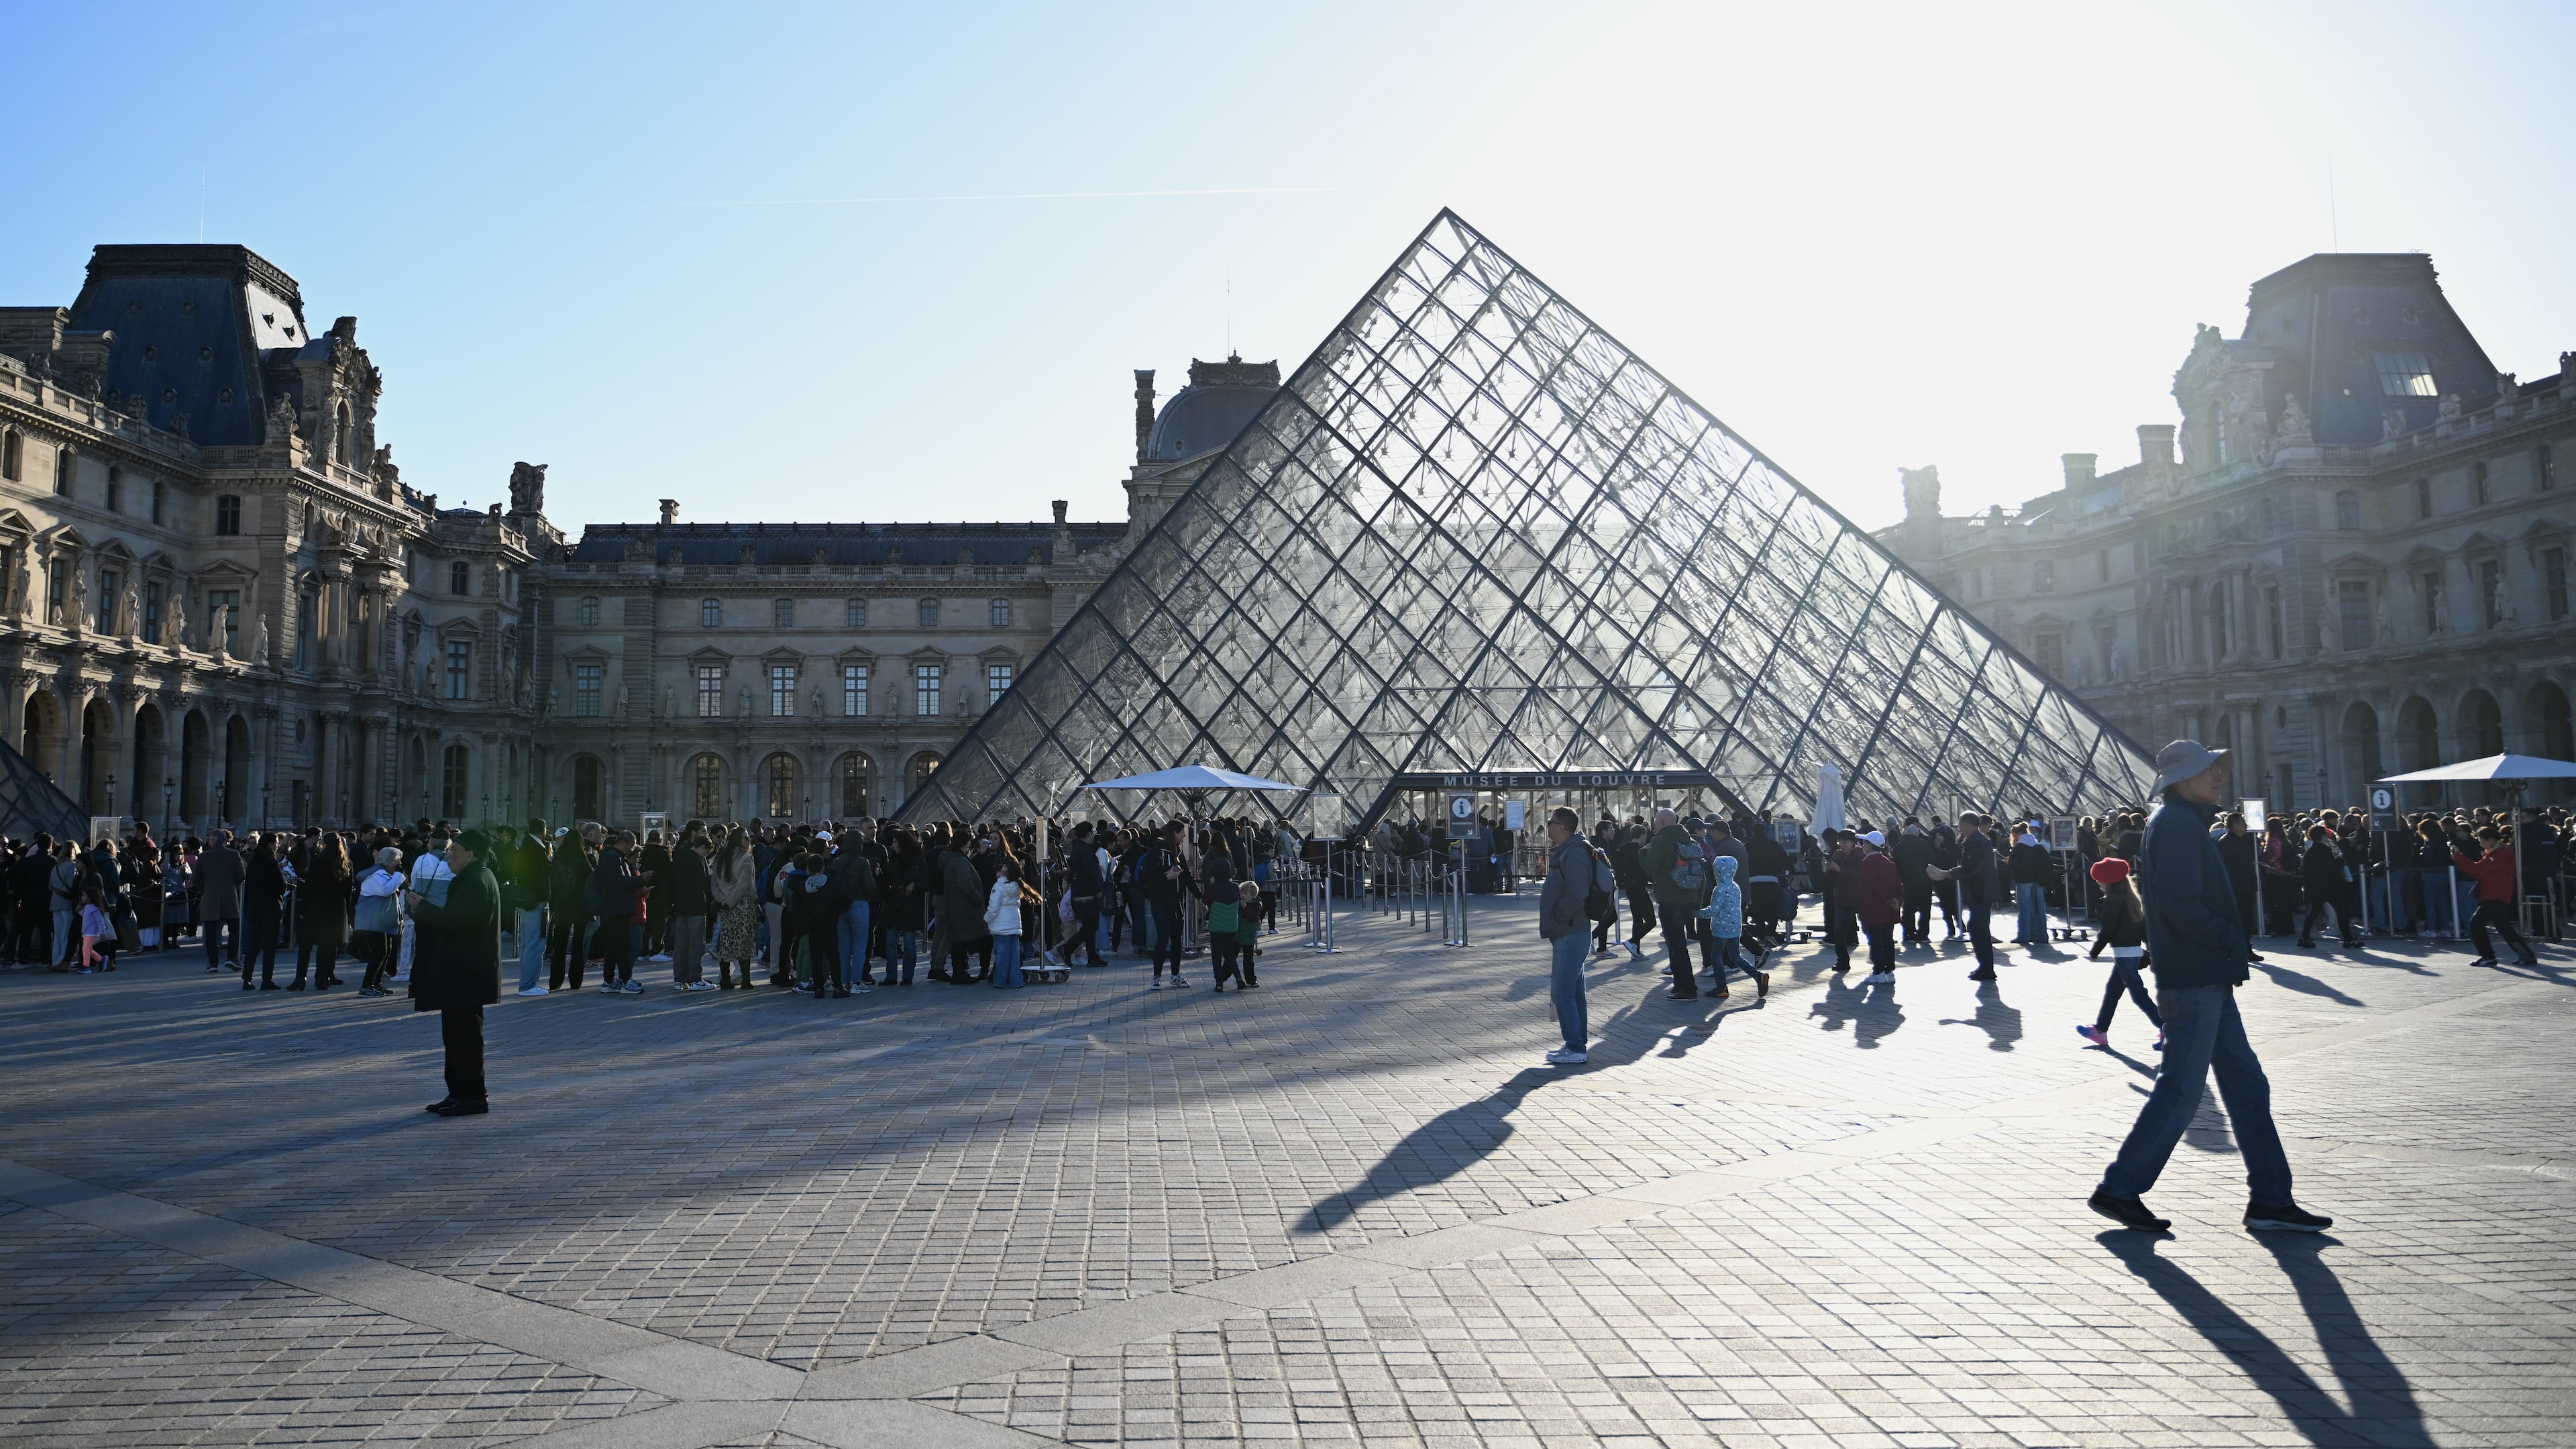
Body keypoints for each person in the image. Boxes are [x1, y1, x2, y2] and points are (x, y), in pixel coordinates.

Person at [2091, 740, 2331, 1234]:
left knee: (2246, 1087)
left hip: (2206, 976)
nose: (2218, 774)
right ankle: (2120, 1187)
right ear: (2182, 780)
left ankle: (2271, 1199)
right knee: (2182, 1090)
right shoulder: (2177, 825)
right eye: (2207, 769)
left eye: (2218, 766)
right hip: (2196, 976)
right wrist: (2228, 938)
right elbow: (2181, 904)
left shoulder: (2180, 822)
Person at [409, 830, 502, 1118]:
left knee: (466, 1038)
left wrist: (422, 907)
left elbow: (459, 922)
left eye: (455, 852)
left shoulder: (478, 879)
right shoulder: (470, 877)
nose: (449, 856)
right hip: (461, 970)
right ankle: (459, 1091)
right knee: (455, 1035)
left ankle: (473, 1096)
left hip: (468, 971)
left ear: (471, 854)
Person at [1538, 807, 1607, 1065]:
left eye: (1551, 823)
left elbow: (1577, 893)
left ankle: (1575, 1047)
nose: (1548, 827)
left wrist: (1558, 917)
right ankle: (1576, 1042)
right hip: (1570, 930)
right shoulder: (1572, 850)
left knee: (1562, 992)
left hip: (1570, 930)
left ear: (1562, 827)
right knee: (1574, 991)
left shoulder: (1575, 853)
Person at [2077, 857, 2161, 1051]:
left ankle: (2166, 1028)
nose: (2098, 882)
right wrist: (2149, 950)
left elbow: (2108, 930)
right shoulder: (2131, 900)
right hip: (2131, 952)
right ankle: (2100, 1030)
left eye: (2100, 879)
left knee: (2139, 994)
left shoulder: (2112, 902)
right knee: (2113, 991)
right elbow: (2143, 929)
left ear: (2109, 881)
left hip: (2123, 954)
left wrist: (2095, 950)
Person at [1640, 808, 1711, 1000]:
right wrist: (1697, 902)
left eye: (1655, 822)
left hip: (1670, 900)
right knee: (1676, 944)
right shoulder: (1690, 841)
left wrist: (1642, 854)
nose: (1654, 825)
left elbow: (1651, 869)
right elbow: (1701, 876)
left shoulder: (1660, 841)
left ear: (1662, 823)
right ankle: (1679, 985)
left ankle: (1688, 988)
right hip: (1689, 899)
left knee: (1677, 946)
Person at [2453, 826, 2540, 967]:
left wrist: (2459, 857)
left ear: (2491, 840)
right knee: (2503, 927)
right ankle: (2526, 955)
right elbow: (2478, 871)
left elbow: (2478, 869)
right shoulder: (2494, 852)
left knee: (2476, 924)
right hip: (2494, 893)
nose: (2482, 844)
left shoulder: (2501, 853)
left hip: (2495, 894)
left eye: (2483, 841)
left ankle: (2488, 956)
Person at [1694, 853, 1770, 998]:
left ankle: (1721, 987)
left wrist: (1696, 913)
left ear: (1718, 871)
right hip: (1735, 929)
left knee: (1716, 956)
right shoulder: (1735, 887)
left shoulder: (1720, 889)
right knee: (1736, 957)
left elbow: (1713, 910)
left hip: (1721, 930)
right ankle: (1758, 976)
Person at [712, 827, 763, 988]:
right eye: (746, 838)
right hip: (742, 904)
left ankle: (726, 979)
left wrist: (722, 900)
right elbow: (743, 884)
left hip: (724, 903)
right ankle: (746, 980)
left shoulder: (721, 855)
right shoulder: (746, 857)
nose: (749, 841)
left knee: (727, 940)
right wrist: (731, 902)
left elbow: (714, 882)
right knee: (744, 941)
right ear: (738, 840)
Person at [354, 846, 406, 996]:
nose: (399, 864)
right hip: (373, 920)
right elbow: (386, 891)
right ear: (389, 861)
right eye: (397, 861)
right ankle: (366, 986)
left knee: (386, 952)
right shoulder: (377, 875)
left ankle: (376, 984)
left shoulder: (384, 874)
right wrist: (399, 875)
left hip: (380, 920)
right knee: (379, 952)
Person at [1856, 831, 1903, 984]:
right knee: (1887, 939)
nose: (1863, 846)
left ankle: (1878, 971)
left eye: (1865, 843)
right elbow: (1898, 884)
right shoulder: (1888, 862)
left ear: (1870, 845)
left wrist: (1888, 899)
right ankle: (1889, 971)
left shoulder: (1866, 863)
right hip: (1889, 910)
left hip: (1874, 907)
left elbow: (1873, 885)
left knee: (1875, 940)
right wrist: (1897, 900)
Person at [1957, 814, 1998, 980]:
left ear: (1967, 824)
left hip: (1978, 891)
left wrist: (1949, 873)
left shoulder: (1974, 842)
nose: (1960, 828)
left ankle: (1987, 968)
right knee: (1978, 927)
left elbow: (1970, 868)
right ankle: (1985, 966)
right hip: (1984, 890)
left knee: (1978, 929)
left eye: (1961, 825)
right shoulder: (1982, 839)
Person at [987, 856, 1030, 989]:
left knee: (1002, 955)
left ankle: (1000, 980)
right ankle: (1016, 980)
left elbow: (994, 907)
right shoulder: (1016, 886)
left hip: (1001, 924)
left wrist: (987, 919)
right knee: (1014, 955)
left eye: (1003, 867)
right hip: (1014, 923)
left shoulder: (998, 886)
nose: (1001, 868)